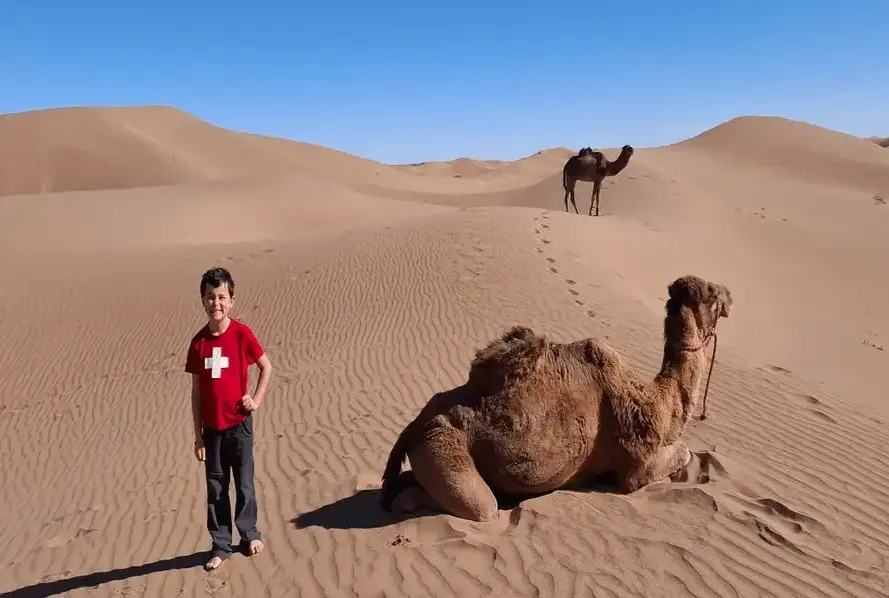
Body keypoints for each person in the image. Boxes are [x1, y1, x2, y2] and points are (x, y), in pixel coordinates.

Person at [185, 266, 273, 571]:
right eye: (210, 297)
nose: (216, 303)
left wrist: (255, 400)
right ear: (202, 300)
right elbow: (196, 394)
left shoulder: (241, 334)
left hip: (240, 425)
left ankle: (250, 534)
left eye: (222, 297)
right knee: (217, 489)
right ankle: (221, 545)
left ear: (231, 300)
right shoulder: (198, 343)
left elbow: (266, 366)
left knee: (245, 485)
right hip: (212, 430)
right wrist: (198, 436)